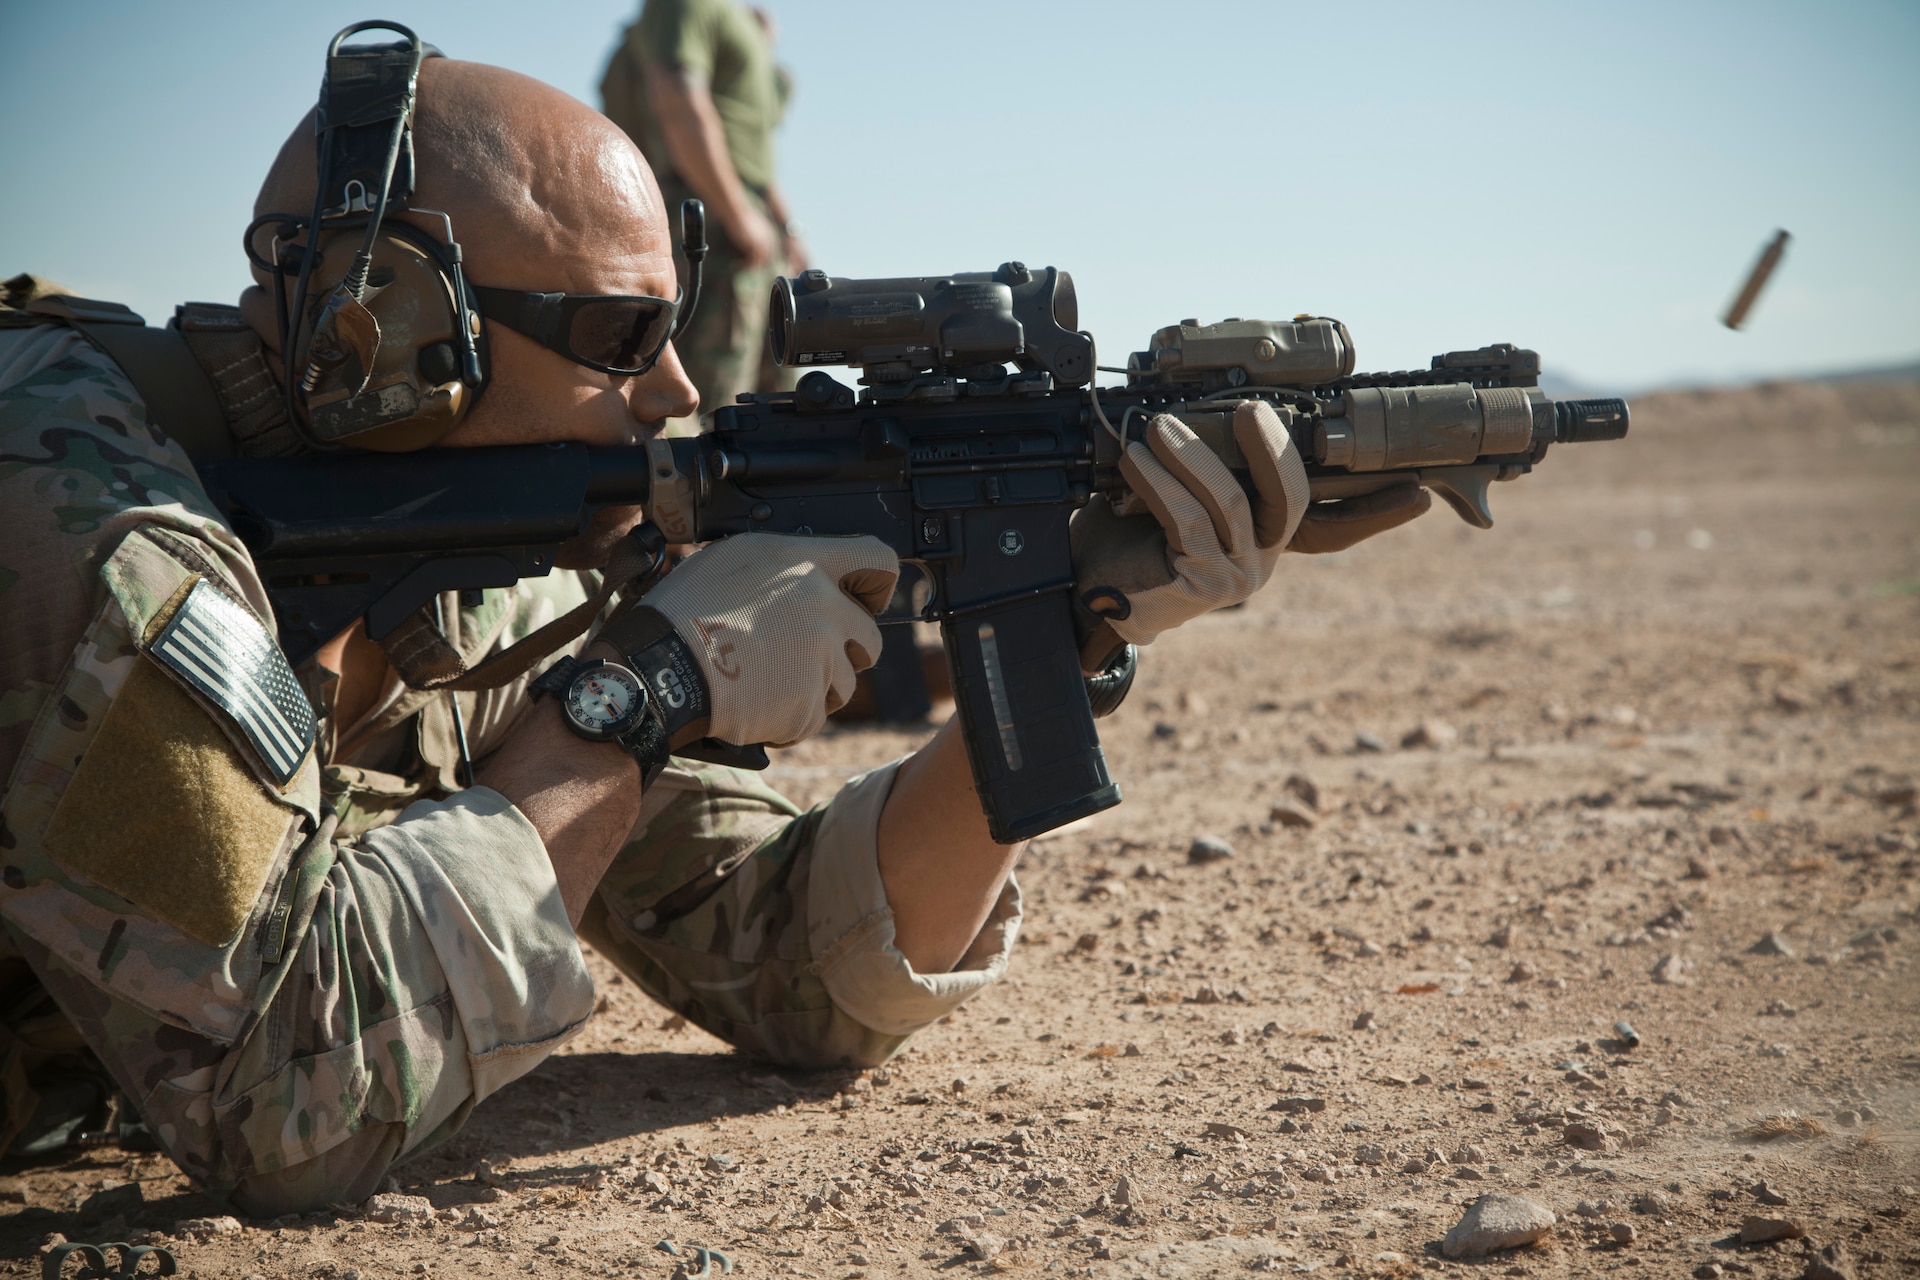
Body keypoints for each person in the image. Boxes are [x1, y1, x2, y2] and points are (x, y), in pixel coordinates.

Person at [0, 45, 1429, 1215]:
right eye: (621, 339)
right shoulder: (84, 522)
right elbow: (283, 1099)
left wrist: (1067, 630)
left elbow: (793, 969)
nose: (675, 388)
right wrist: (639, 692)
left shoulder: (485, 578)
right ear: (390, 332)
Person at [601, 0, 803, 430]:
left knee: (782, 408)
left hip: (742, 206)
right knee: (715, 415)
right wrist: (734, 213)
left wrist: (787, 231)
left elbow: (752, 148)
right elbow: (678, 100)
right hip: (709, 209)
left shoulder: (732, 17)